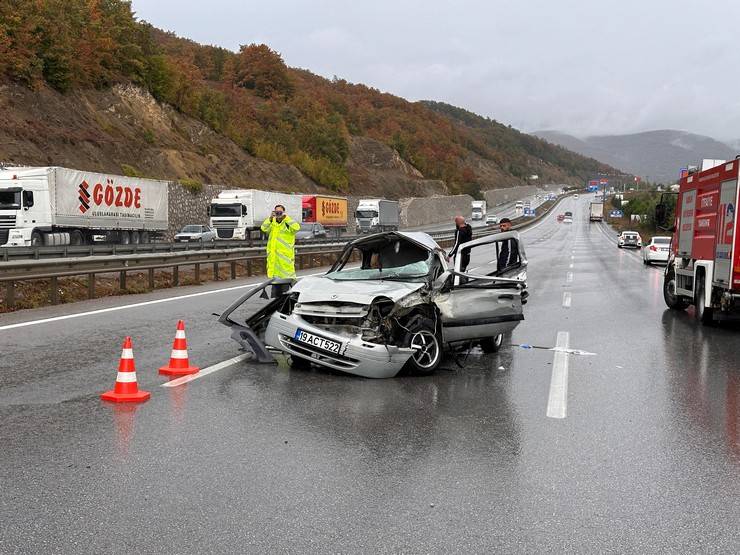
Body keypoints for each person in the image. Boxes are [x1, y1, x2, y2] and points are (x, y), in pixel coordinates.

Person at [261, 204, 300, 296]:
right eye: (276, 212)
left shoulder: (287, 223)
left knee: (286, 290)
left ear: (284, 213)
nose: (278, 214)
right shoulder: (273, 223)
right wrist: (270, 218)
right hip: (274, 262)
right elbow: (263, 228)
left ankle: (289, 303)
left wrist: (286, 217)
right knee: (276, 292)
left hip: (285, 261)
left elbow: (297, 227)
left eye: (280, 212)